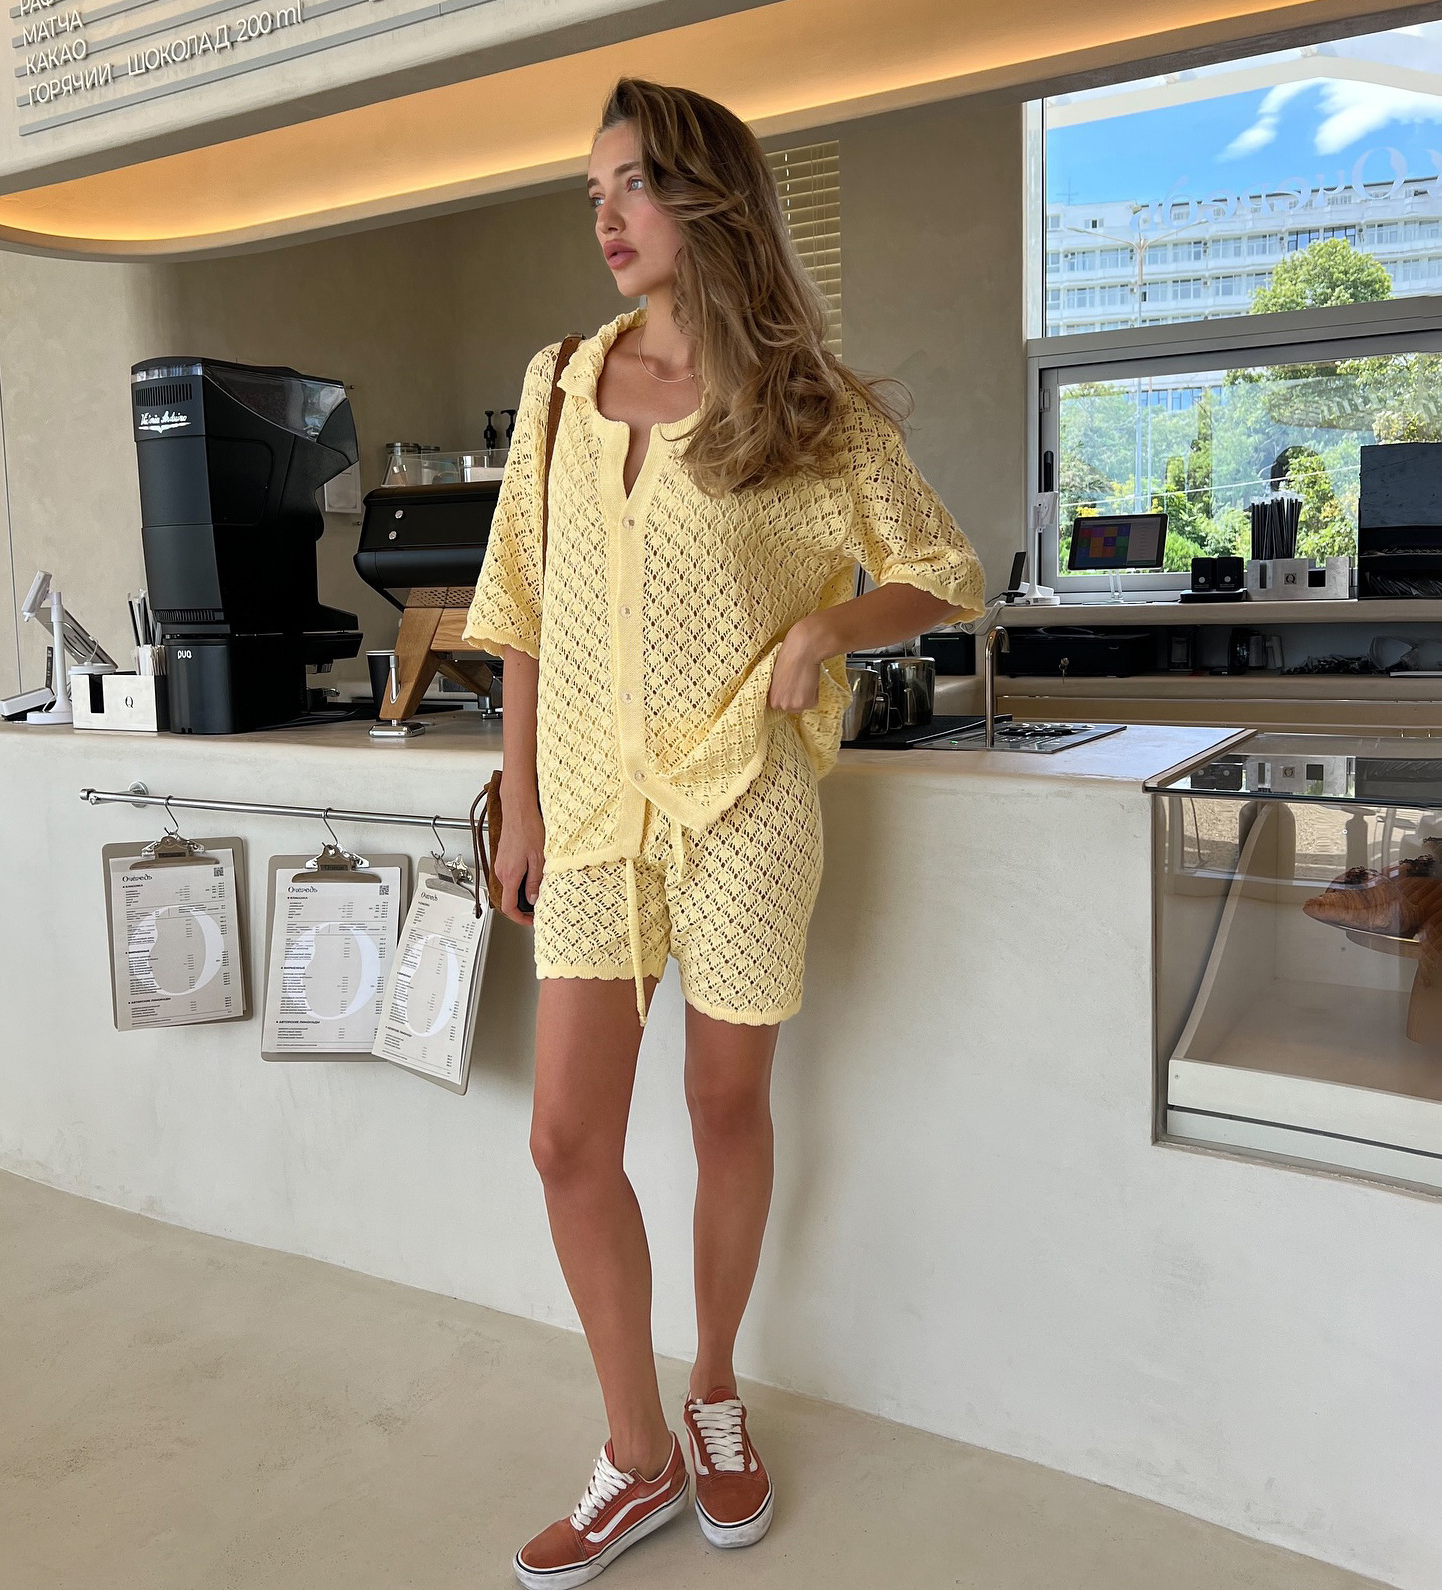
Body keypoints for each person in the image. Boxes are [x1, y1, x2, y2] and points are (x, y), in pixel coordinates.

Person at [461, 76, 985, 1589]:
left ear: (706, 195)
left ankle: (711, 1392)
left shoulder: (803, 406)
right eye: (593, 192)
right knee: (566, 1138)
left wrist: (826, 628)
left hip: (747, 800)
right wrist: (520, 797)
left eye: (631, 183)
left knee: (722, 1107)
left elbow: (941, 568)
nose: (607, 216)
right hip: (592, 811)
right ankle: (635, 1453)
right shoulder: (561, 383)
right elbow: (520, 610)